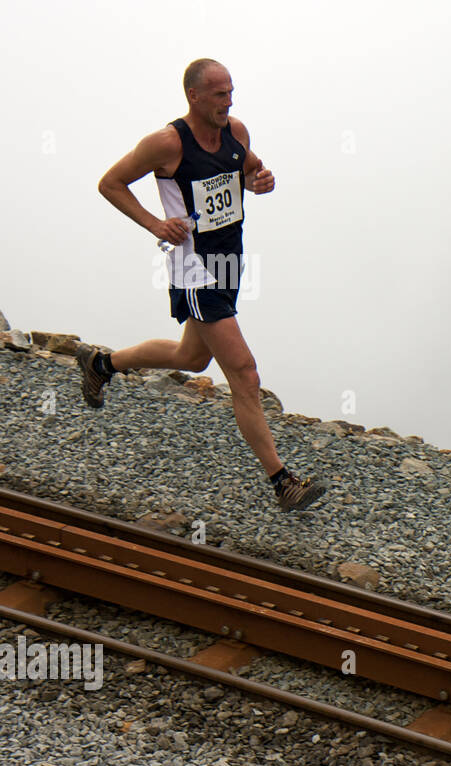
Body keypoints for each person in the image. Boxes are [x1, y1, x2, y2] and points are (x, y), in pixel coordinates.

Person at [80, 58, 324, 512]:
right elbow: (110, 184)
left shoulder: (235, 132)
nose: (228, 101)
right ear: (193, 96)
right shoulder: (166, 143)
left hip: (230, 260)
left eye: (231, 92)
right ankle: (282, 482)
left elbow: (247, 172)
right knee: (244, 373)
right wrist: (155, 224)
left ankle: (101, 364)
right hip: (194, 269)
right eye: (218, 94)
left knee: (190, 357)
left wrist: (259, 181)